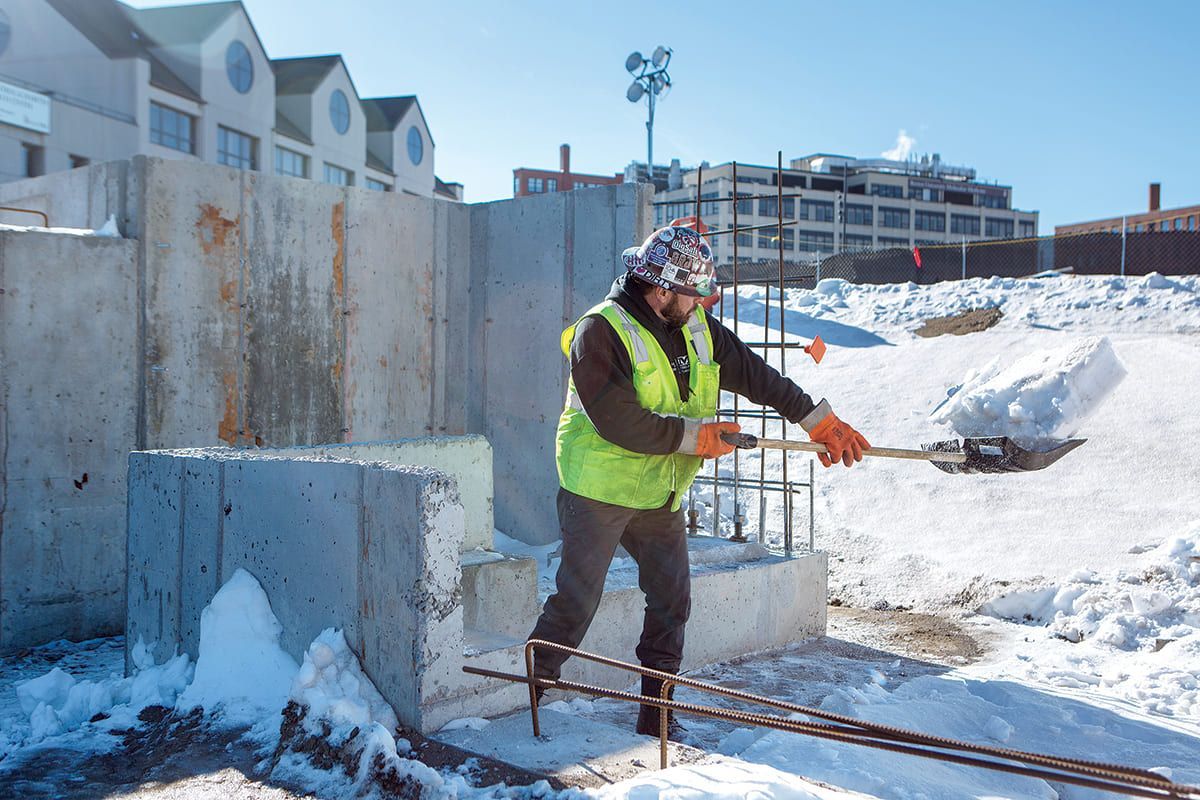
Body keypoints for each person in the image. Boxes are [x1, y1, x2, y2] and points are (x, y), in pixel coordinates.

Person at [527, 223, 869, 738]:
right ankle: (534, 684)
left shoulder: (697, 328)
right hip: (598, 492)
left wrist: (814, 418)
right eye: (693, 295)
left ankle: (656, 714)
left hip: (659, 496)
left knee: (672, 602)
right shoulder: (600, 331)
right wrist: (699, 439)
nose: (700, 304)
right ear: (661, 288)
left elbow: (758, 375)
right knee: (577, 603)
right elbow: (618, 421)